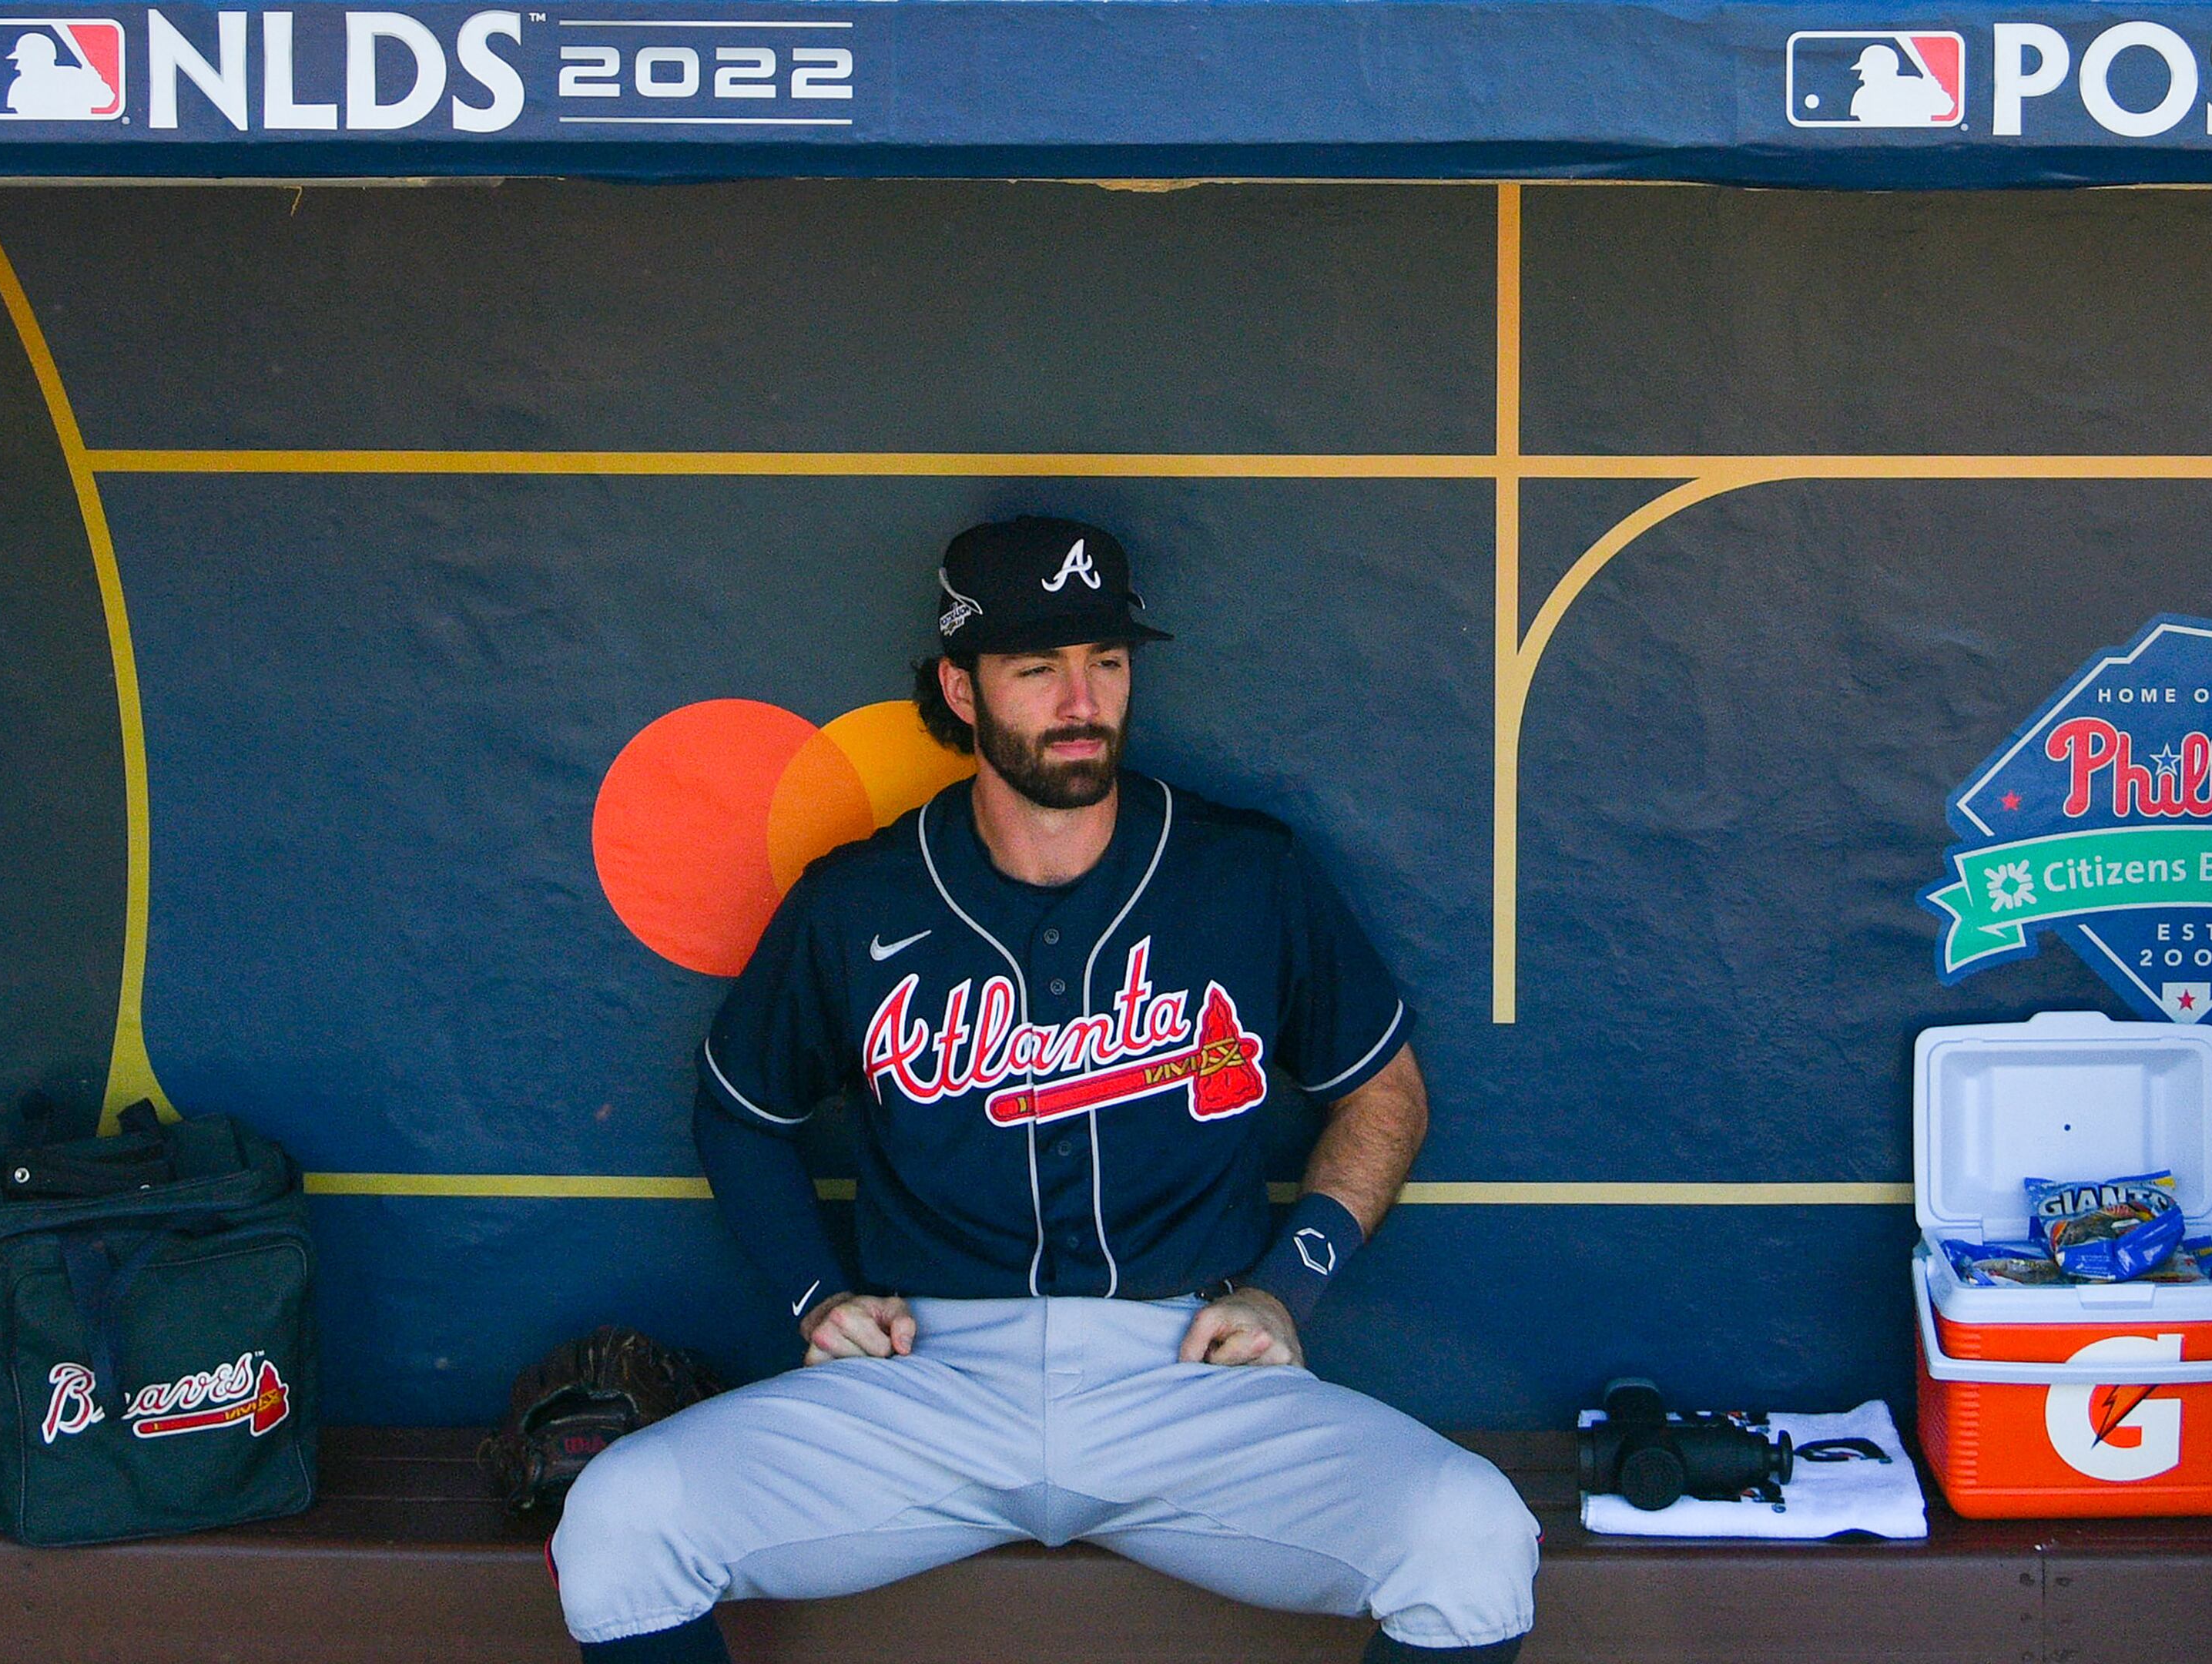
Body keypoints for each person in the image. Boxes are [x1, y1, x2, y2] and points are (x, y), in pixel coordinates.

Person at [551, 516, 1540, 1662]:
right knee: (622, 1522)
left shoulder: (1243, 873)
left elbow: (1384, 1092)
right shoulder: (860, 899)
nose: (1083, 700)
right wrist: (814, 1296)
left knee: (1469, 1536)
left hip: (1184, 1372)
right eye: (1037, 669)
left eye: (1106, 662)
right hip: (926, 1376)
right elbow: (741, 1111)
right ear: (960, 690)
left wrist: (1289, 1287)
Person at [3, 33, 112, 119]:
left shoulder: (74, 76)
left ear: (38, 60)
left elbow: (106, 100)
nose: (18, 67)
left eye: (24, 60)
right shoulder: (21, 85)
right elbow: (19, 123)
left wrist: (95, 82)